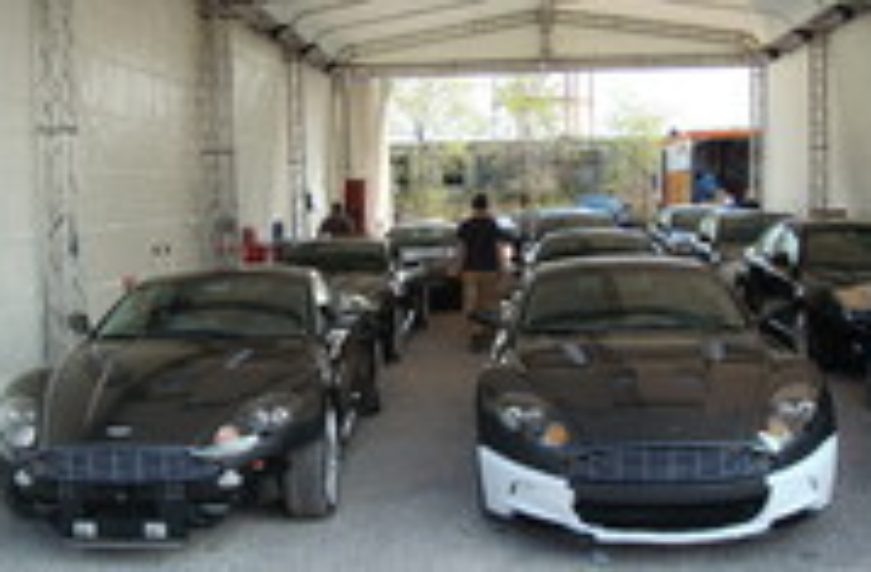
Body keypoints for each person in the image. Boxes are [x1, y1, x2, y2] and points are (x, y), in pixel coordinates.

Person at [455, 193, 510, 352]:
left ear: (473, 207)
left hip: (470, 271)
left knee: (471, 303)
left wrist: (457, 268)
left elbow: (462, 250)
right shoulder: (493, 225)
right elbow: (499, 249)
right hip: (490, 270)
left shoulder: (465, 226)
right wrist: (503, 270)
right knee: (488, 302)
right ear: (487, 207)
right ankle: (487, 335)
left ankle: (476, 335)